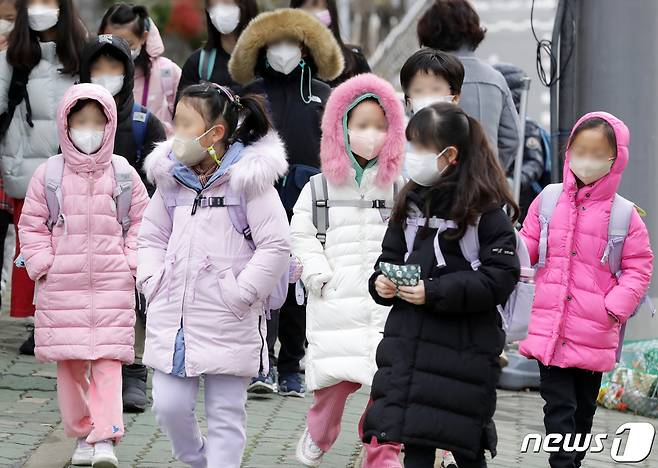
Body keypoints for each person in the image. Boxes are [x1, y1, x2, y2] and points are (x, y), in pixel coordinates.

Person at [137, 83, 290, 468]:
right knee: (168, 407)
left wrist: (241, 294)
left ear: (214, 133)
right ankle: (197, 461)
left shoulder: (249, 181)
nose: (176, 133)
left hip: (229, 318)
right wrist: (152, 280)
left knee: (225, 417)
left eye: (186, 124)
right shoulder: (172, 178)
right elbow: (151, 235)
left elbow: (275, 246)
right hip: (175, 316)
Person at [364, 102, 521, 468]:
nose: (411, 158)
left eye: (420, 148)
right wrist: (381, 282)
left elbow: (499, 278)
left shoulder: (485, 210)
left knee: (465, 445)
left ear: (449, 155)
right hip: (409, 343)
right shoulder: (410, 200)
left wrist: (433, 292)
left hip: (463, 349)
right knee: (414, 440)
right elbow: (388, 257)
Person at [17, 83, 149, 468]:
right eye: (80, 121)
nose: (88, 129)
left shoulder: (123, 173)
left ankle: (105, 436)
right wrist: (44, 264)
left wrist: (131, 262)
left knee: (108, 364)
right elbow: (32, 225)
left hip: (111, 285)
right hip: (63, 288)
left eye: (96, 121)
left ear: (109, 126)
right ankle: (81, 432)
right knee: (70, 369)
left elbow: (143, 222)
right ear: (65, 125)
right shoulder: (49, 174)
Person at [519, 112, 653, 468]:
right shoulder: (548, 200)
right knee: (558, 407)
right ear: (568, 152)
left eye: (598, 153)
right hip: (551, 328)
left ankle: (571, 460)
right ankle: (562, 463)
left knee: (583, 412)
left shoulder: (625, 216)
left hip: (594, 330)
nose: (587, 160)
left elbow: (638, 268)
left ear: (615, 158)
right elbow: (525, 246)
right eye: (581, 150)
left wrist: (613, 308)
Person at [290, 73, 405, 467]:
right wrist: (318, 272)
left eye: (380, 126)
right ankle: (320, 433)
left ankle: (382, 453)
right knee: (333, 385)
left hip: (385, 305)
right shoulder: (318, 188)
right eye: (361, 125)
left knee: (386, 389)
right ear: (341, 128)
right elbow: (301, 234)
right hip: (335, 300)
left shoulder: (399, 187)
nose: (371, 134)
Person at [229, 8, 343, 397]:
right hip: (261, 200)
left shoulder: (324, 96)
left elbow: (337, 152)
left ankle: (292, 364)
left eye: (292, 43)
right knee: (262, 282)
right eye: (275, 43)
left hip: (309, 202)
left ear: (307, 48)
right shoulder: (251, 95)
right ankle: (262, 361)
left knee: (301, 287)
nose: (283, 50)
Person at [79, 34, 166, 413]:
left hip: (134, 230)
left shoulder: (145, 122)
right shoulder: (74, 116)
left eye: (115, 67)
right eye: (98, 66)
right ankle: (89, 372)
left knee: (133, 303)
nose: (106, 74)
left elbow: (163, 182)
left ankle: (133, 372)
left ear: (128, 72)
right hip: (84, 231)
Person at [0, 0, 87, 353]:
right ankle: (41, 322)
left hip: (75, 170)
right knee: (36, 249)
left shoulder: (82, 54)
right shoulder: (11, 57)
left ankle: (69, 319)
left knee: (73, 249)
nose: (40, 8)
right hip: (28, 170)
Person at [417, 0, 520, 172]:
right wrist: (492, 170)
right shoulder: (495, 79)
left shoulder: (424, 80)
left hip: (439, 185)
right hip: (487, 187)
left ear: (430, 31)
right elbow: (512, 138)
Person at [99, 3, 181, 137]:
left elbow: (186, 124)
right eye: (112, 44)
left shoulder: (167, 72)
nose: (120, 51)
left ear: (143, 37)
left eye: (127, 44)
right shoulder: (93, 73)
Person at [494, 62, 549, 223]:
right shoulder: (490, 125)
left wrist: (512, 182)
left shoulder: (527, 127)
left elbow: (534, 162)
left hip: (522, 200)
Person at [177, 0, 258, 95]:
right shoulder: (197, 64)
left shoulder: (267, 61)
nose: (219, 11)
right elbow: (183, 107)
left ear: (244, 5)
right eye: (213, 5)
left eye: (226, 2)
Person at [290, 0, 370, 87]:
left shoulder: (355, 60)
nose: (313, 14)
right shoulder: (285, 67)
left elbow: (373, 96)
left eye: (316, 4)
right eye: (305, 7)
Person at [400, 48, 463, 116]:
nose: (427, 96)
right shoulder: (405, 126)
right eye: (418, 90)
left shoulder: (469, 126)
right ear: (409, 102)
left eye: (436, 89)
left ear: (455, 98)